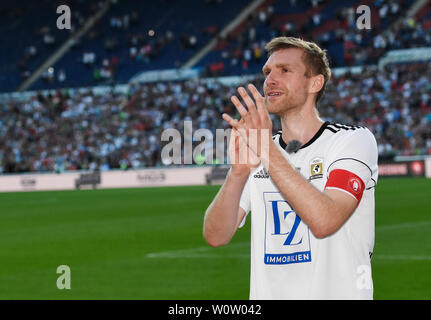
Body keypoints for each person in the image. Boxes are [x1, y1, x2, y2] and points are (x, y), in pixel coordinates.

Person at [203, 37, 378, 300]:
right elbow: (216, 236)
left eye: (285, 70)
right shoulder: (262, 150)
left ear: (314, 83)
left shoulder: (351, 140)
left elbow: (325, 221)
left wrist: (266, 150)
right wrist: (237, 173)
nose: (270, 79)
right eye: (268, 72)